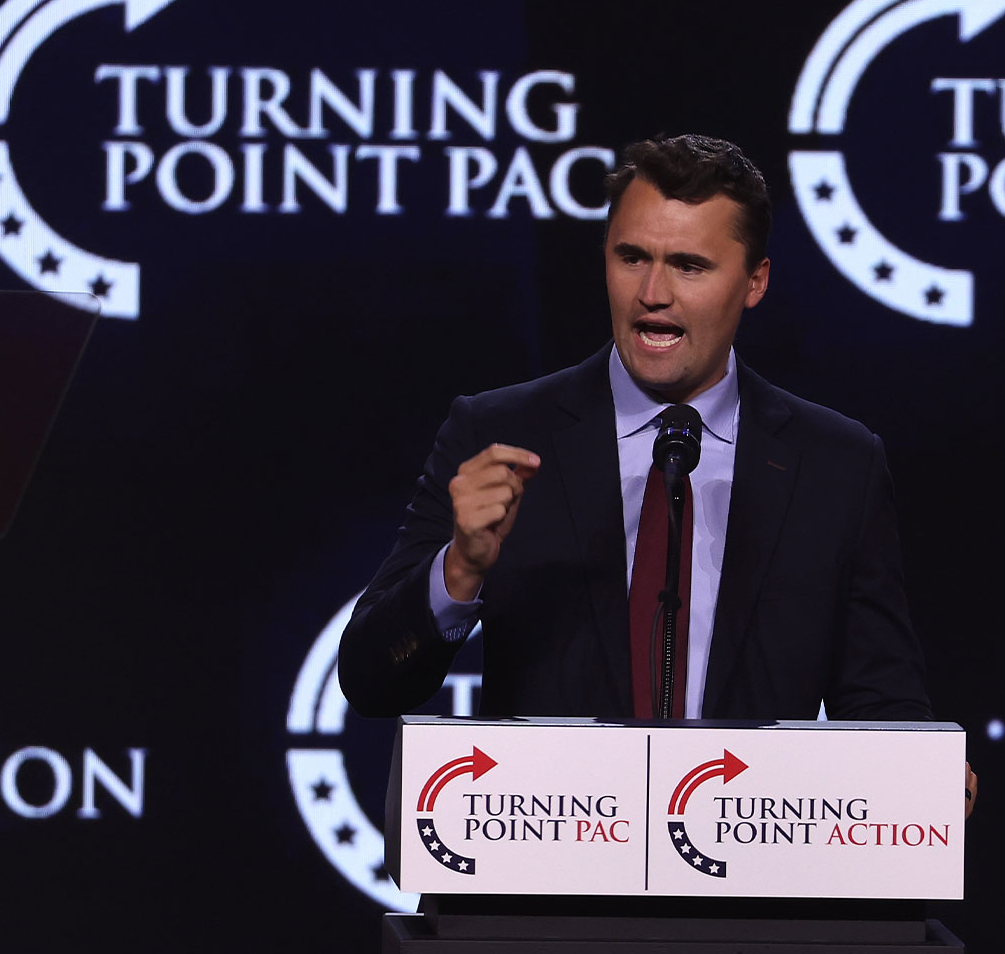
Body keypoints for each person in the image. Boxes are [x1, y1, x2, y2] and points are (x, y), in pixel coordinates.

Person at [338, 133, 948, 751]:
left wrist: (928, 775)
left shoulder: (835, 465)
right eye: (632, 257)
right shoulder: (500, 435)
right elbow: (370, 682)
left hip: (748, 837)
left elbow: (881, 702)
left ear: (755, 281)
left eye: (689, 266)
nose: (653, 293)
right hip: (555, 836)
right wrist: (459, 569)